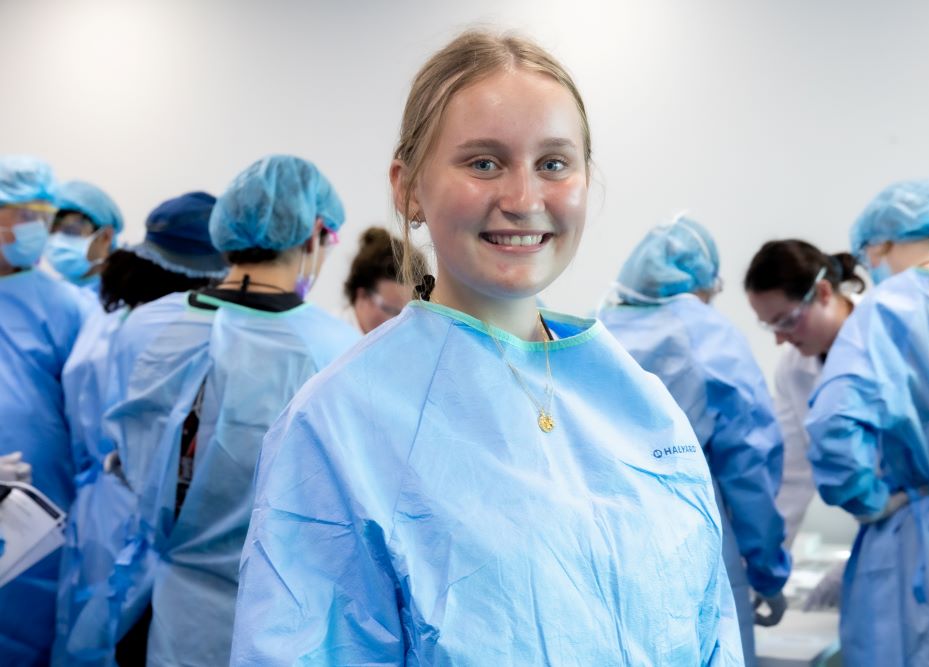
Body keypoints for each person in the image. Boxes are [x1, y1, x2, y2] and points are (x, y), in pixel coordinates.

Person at [231, 31, 742, 665]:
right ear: (409, 187)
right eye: (483, 163)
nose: (524, 200)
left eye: (554, 163)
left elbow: (707, 625)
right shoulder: (339, 424)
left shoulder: (641, 404)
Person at [92, 155, 359, 666]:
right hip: (268, 622)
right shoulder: (335, 350)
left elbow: (121, 451)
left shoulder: (146, 326)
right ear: (316, 233)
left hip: (147, 606)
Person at [805, 177, 929, 665]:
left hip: (917, 551)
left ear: (886, 240)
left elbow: (833, 424)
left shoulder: (884, 311)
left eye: (870, 250)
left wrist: (869, 500)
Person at [599, 216, 791, 665]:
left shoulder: (594, 331)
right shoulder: (710, 336)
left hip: (607, 559)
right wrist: (768, 573)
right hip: (698, 556)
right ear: (705, 283)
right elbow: (749, 470)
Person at [51, 192, 229, 666]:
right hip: (141, 515)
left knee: (87, 637)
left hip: (102, 502)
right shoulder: (175, 327)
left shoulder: (116, 315)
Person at [0, 155, 92, 666]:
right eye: (24, 215)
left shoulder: (68, 306)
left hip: (41, 525)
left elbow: (93, 428)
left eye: (43, 215)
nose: (38, 228)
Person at [744, 239, 866, 546]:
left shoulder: (884, 334)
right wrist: (770, 557)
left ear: (823, 292)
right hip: (877, 529)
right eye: (770, 327)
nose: (780, 340)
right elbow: (793, 473)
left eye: (786, 321)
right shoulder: (792, 368)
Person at [45, 180, 123, 296]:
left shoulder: (125, 299)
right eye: (52, 231)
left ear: (106, 236)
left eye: (71, 231)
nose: (57, 240)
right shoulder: (48, 295)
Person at [343, 226, 428, 333]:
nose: (400, 324)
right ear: (363, 296)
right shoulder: (332, 342)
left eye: (406, 315)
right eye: (393, 311)